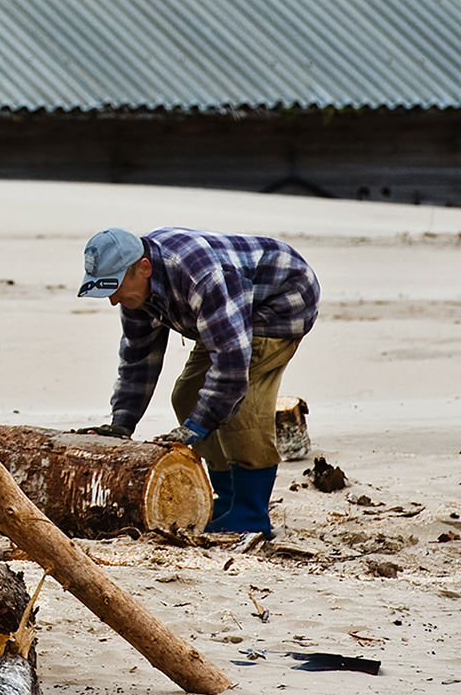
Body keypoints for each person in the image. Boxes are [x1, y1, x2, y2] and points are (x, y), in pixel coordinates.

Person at [72, 226, 317, 540]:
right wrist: (122, 423)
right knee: (187, 394)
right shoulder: (136, 293)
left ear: (143, 268)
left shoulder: (201, 277)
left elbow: (231, 365)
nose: (113, 300)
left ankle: (251, 513)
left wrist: (196, 427)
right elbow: (138, 358)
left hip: (282, 303)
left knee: (243, 405)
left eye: (116, 287)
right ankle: (227, 498)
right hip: (227, 310)